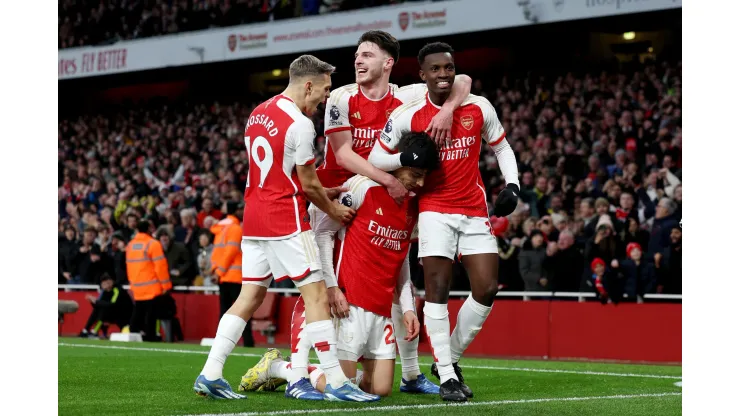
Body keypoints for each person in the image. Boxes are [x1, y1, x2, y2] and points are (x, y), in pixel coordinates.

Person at [291, 30, 471, 397]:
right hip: (339, 198)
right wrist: (387, 180)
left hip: (385, 195)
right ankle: (295, 371)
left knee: (391, 270)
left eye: (367, 55)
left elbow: (462, 80)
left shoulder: (406, 96)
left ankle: (408, 374)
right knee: (319, 285)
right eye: (357, 54)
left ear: (388, 63)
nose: (358, 60)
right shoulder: (341, 97)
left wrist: (450, 108)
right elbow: (341, 156)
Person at [194, 54, 373, 402]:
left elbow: (284, 171)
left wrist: (323, 188)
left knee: (250, 296)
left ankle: (210, 373)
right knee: (317, 295)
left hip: (255, 218)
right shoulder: (301, 125)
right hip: (286, 220)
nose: (324, 98)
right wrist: (333, 208)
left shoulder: (258, 113)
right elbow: (305, 186)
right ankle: (337, 382)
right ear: (307, 84)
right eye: (323, 90)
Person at [367, 42, 520, 402]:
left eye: (448, 68)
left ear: (455, 71)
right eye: (434, 69)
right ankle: (449, 377)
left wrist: (512, 184)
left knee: (486, 287)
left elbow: (502, 147)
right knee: (437, 290)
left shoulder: (478, 106)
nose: (442, 75)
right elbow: (375, 156)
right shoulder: (408, 114)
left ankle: (446, 358)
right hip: (434, 210)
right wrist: (405, 156)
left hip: (474, 209)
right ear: (422, 75)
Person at [240, 131, 441, 398]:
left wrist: (407, 308)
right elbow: (323, 234)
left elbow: (401, 258)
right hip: (351, 303)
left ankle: (294, 367)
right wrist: (332, 288)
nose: (420, 181)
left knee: (379, 389)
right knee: (338, 386)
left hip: (381, 309)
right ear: (397, 164)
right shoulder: (362, 187)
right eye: (415, 173)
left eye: (424, 175)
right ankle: (281, 368)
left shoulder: (411, 207)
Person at [210, 202, 254, 347]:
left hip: (224, 277)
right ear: (237, 210)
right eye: (242, 209)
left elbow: (217, 252)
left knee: (224, 312)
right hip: (234, 277)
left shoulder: (221, 229)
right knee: (244, 310)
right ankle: (248, 343)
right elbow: (231, 252)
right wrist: (220, 271)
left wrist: (216, 271)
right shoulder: (235, 228)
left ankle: (221, 343)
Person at [125, 221, 172, 341]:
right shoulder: (153, 244)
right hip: (152, 286)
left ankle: (133, 335)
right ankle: (150, 337)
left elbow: (129, 266)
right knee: (150, 316)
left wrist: (132, 284)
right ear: (149, 229)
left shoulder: (130, 245)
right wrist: (166, 285)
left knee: (137, 313)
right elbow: (160, 266)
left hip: (136, 286)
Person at [78, 273, 133, 338]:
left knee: (104, 309)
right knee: (97, 309)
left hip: (124, 314)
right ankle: (86, 330)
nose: (106, 284)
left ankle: (94, 332)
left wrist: (96, 301)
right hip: (112, 313)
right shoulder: (104, 291)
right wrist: (92, 301)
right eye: (104, 282)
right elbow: (98, 305)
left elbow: (113, 304)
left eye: (108, 281)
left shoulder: (117, 290)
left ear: (112, 282)